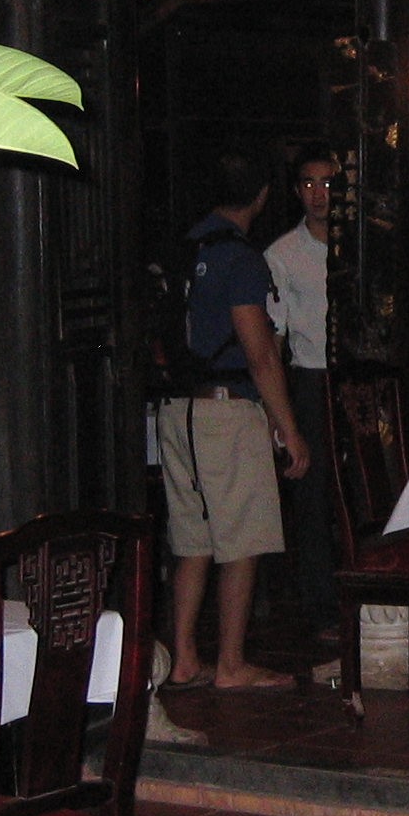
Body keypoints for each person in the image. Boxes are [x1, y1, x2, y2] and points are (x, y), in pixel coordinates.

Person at [158, 151, 310, 692]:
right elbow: (259, 351)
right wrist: (288, 427)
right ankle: (230, 664)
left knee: (192, 540)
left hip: (177, 409)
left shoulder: (185, 246)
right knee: (242, 541)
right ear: (263, 195)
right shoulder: (240, 257)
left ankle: (184, 658)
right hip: (226, 410)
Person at [265, 144, 339, 642]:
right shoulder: (283, 254)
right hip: (311, 378)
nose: (319, 194)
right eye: (310, 184)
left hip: (358, 378)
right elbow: (275, 337)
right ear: (296, 191)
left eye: (328, 183)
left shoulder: (363, 243)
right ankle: (323, 608)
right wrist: (279, 411)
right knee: (312, 497)